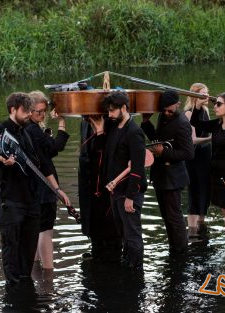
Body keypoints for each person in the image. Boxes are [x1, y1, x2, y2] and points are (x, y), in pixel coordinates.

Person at [0, 92, 70, 284]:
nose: (29, 114)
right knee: (12, 245)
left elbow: (42, 163)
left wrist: (57, 190)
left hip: (32, 199)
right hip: (9, 199)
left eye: (30, 110)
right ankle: (14, 290)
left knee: (28, 248)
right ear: (13, 110)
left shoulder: (27, 131)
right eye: (25, 110)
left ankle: (27, 288)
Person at [89, 91, 148, 270]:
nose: (110, 115)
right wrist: (99, 131)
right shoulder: (114, 127)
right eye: (108, 111)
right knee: (122, 232)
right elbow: (102, 152)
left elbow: (137, 168)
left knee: (132, 233)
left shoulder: (135, 132)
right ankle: (127, 264)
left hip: (129, 192)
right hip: (115, 190)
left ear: (124, 108)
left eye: (113, 111)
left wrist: (130, 196)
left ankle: (137, 270)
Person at [190, 92, 225, 249]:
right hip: (217, 176)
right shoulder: (217, 124)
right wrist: (197, 105)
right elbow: (196, 122)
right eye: (215, 104)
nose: (215, 106)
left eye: (219, 104)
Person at [141, 89, 194, 254]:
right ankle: (174, 248)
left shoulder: (182, 123)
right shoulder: (163, 116)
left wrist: (164, 152)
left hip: (173, 177)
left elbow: (188, 153)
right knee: (166, 216)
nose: (166, 113)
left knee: (174, 217)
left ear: (178, 105)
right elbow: (158, 140)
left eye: (170, 110)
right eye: (163, 110)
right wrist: (145, 123)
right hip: (160, 175)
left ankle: (181, 251)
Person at [24, 91, 70, 270]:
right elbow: (54, 149)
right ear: (29, 111)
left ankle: (35, 270)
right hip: (43, 187)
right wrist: (61, 123)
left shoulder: (27, 128)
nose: (42, 115)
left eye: (44, 111)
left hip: (32, 187)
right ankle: (49, 275)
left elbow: (48, 152)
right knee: (46, 230)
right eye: (39, 112)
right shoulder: (33, 130)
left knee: (37, 229)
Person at [78, 115, 122, 262]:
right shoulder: (85, 123)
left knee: (109, 226)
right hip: (89, 184)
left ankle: (111, 257)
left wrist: (100, 132)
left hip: (107, 184)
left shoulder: (112, 123)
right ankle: (97, 252)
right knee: (94, 224)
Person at [183, 83, 212, 239]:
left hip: (206, 156)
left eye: (207, 93)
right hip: (194, 158)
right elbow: (193, 140)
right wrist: (212, 138)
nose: (207, 96)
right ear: (195, 96)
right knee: (194, 191)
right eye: (203, 94)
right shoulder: (188, 114)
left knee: (205, 191)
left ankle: (202, 224)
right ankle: (192, 231)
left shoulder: (206, 111)